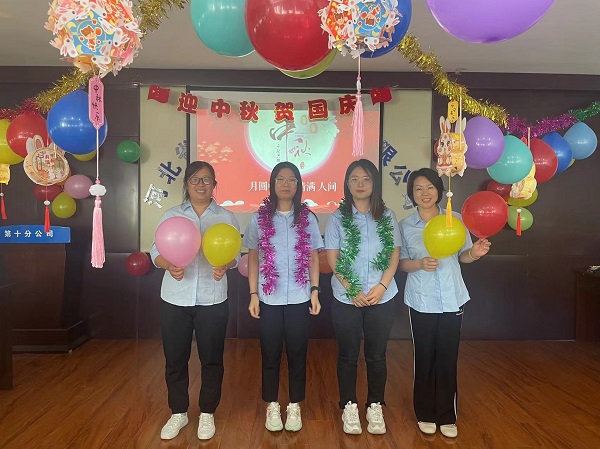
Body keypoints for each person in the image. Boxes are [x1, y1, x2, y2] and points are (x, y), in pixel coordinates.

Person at [150, 161, 240, 441]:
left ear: (214, 184)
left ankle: (207, 413)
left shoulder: (226, 216)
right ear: (187, 184)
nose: (201, 185)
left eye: (207, 180)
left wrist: (226, 264)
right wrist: (168, 265)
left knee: (212, 359)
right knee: (175, 358)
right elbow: (155, 251)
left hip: (213, 299)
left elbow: (236, 255)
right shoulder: (172, 215)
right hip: (175, 298)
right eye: (195, 180)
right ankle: (178, 412)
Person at [398, 167, 491, 439]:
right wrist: (418, 264)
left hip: (452, 297)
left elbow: (463, 256)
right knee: (424, 358)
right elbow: (400, 263)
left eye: (430, 187)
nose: (425, 193)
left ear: (439, 190)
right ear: (412, 194)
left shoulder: (456, 219)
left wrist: (475, 253)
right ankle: (425, 413)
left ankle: (447, 415)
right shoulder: (405, 226)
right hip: (421, 300)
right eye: (418, 189)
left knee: (448, 358)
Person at [243, 161, 323, 432]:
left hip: (300, 297)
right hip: (269, 298)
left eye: (292, 179)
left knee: (298, 353)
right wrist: (253, 293)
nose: (286, 184)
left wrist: (314, 291)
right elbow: (254, 257)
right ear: (273, 184)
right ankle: (272, 405)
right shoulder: (260, 218)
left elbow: (313, 257)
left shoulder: (308, 218)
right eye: (281, 179)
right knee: (270, 353)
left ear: (298, 185)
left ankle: (295, 405)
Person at [324, 159, 401, 435]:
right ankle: (349, 406)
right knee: (347, 356)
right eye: (354, 179)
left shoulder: (387, 216)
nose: (360, 184)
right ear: (347, 184)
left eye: (366, 179)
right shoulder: (337, 218)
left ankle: (375, 405)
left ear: (374, 184)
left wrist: (382, 286)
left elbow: (393, 253)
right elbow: (333, 258)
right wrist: (352, 289)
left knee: (377, 356)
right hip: (348, 298)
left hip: (381, 296)